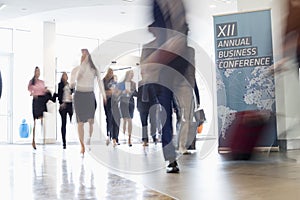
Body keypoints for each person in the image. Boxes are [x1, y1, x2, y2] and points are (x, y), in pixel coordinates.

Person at [140, 0, 196, 173]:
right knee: (166, 116)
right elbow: (145, 69)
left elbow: (190, 68)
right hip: (163, 77)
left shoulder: (185, 45)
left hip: (181, 76)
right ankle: (170, 158)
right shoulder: (149, 47)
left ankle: (181, 145)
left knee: (185, 115)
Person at [70, 49, 106, 155]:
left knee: (91, 121)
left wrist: (103, 95)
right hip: (79, 95)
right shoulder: (77, 69)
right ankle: (82, 145)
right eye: (82, 54)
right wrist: (81, 68)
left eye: (85, 54)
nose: (83, 56)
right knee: (80, 122)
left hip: (89, 95)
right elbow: (72, 83)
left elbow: (100, 82)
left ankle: (89, 139)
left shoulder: (94, 69)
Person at [28, 66, 53, 149]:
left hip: (42, 101)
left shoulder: (42, 82)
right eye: (37, 71)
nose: (38, 73)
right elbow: (29, 89)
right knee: (34, 121)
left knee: (42, 121)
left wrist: (46, 90)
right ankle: (33, 141)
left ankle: (44, 139)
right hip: (36, 101)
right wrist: (33, 93)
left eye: (39, 71)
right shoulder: (32, 82)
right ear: (34, 72)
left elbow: (43, 90)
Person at [137, 69, 159, 146]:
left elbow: (155, 94)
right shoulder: (140, 83)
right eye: (142, 74)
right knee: (144, 123)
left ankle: (154, 137)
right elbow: (139, 95)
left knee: (153, 122)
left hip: (152, 104)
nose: (143, 75)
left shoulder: (153, 83)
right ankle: (145, 140)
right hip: (142, 105)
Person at [117, 70, 137, 147]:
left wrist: (131, 91)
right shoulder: (121, 84)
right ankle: (123, 134)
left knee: (130, 119)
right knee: (124, 119)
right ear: (127, 74)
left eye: (133, 74)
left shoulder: (133, 84)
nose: (132, 76)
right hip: (123, 103)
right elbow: (117, 94)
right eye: (131, 74)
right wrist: (123, 92)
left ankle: (129, 138)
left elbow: (135, 93)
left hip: (130, 103)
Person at [56, 72, 73, 149]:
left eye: (66, 75)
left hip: (69, 104)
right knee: (63, 124)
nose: (65, 77)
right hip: (63, 105)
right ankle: (64, 142)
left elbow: (73, 92)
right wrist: (61, 103)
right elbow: (59, 94)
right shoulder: (60, 85)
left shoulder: (69, 85)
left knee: (73, 120)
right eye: (64, 76)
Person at [102, 68, 115, 145]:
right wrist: (108, 92)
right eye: (110, 72)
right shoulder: (103, 80)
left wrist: (108, 92)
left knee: (113, 119)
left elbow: (114, 91)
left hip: (113, 102)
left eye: (112, 72)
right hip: (106, 101)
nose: (111, 74)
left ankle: (113, 137)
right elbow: (103, 91)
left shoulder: (113, 81)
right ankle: (108, 134)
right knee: (108, 118)